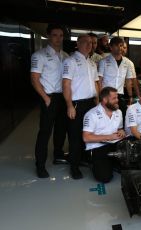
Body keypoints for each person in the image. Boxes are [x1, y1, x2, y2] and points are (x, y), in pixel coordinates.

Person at [31, 23, 69, 178]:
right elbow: (34, 79)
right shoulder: (39, 55)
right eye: (55, 35)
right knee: (45, 132)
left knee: (61, 129)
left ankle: (58, 155)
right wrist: (46, 98)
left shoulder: (66, 56)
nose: (58, 38)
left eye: (61, 35)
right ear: (48, 36)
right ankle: (40, 165)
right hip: (49, 97)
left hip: (63, 97)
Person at [62, 34, 99, 179]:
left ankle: (83, 159)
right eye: (85, 42)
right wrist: (69, 105)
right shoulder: (70, 61)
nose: (89, 45)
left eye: (91, 43)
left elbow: (97, 83)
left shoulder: (92, 63)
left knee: (88, 133)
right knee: (75, 136)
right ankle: (74, 167)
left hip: (91, 103)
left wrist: (98, 102)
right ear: (78, 43)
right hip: (77, 104)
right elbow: (66, 84)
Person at [83, 87, 125, 183]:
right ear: (105, 100)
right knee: (104, 178)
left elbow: (120, 128)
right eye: (114, 98)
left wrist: (121, 131)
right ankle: (94, 162)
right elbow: (86, 137)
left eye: (117, 98)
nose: (117, 101)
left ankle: (111, 162)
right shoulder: (91, 114)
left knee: (131, 164)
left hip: (115, 144)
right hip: (98, 146)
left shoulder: (118, 112)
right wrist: (109, 137)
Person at [98, 37, 136, 117]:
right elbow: (99, 81)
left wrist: (130, 96)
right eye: (117, 45)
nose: (120, 48)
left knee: (121, 118)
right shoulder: (103, 61)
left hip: (119, 96)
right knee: (107, 117)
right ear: (111, 47)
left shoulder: (127, 62)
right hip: (106, 96)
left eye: (121, 45)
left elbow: (128, 81)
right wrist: (101, 98)